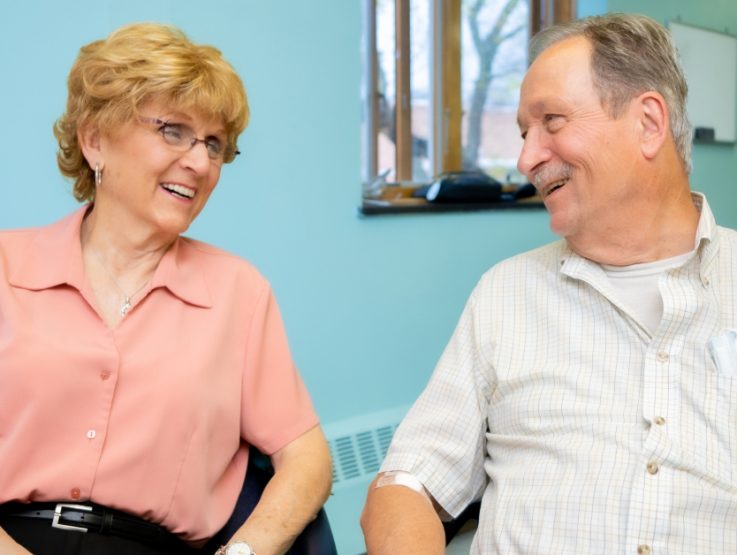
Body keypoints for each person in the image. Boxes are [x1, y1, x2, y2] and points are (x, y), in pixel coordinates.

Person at [362, 12, 737, 554]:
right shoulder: (506, 294)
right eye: (523, 132)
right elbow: (405, 485)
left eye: (552, 120)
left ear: (648, 123)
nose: (525, 157)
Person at [0, 22, 332, 555]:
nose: (199, 163)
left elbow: (307, 456)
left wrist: (245, 553)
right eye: (173, 131)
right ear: (94, 139)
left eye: (215, 145)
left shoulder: (237, 292)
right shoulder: (5, 265)